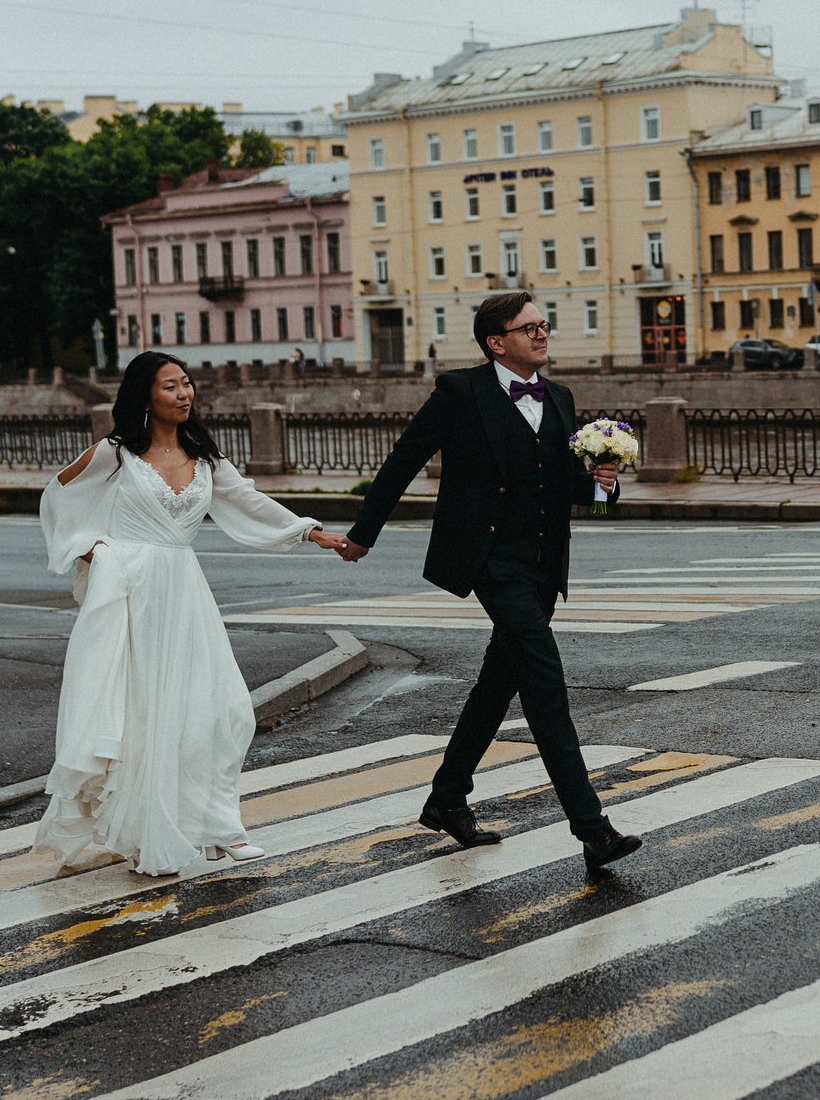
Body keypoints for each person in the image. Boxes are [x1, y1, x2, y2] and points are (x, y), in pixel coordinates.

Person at [332, 292, 637, 875]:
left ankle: (447, 799)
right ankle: (592, 828)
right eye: (530, 329)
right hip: (491, 562)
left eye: (543, 325)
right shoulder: (461, 393)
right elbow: (404, 458)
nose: (542, 335)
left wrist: (603, 484)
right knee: (546, 684)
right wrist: (363, 534)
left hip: (544, 565)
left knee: (500, 683)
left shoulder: (560, 397)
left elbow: (571, 490)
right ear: (498, 343)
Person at [38, 351, 352, 875]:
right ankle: (159, 829)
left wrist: (312, 533)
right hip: (131, 595)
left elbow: (250, 503)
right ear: (145, 396)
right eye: (170, 386)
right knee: (142, 717)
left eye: (187, 384)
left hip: (184, 594)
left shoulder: (205, 457)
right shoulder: (113, 454)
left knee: (223, 711)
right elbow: (58, 500)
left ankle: (217, 823)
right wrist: (94, 550)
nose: (184, 394)